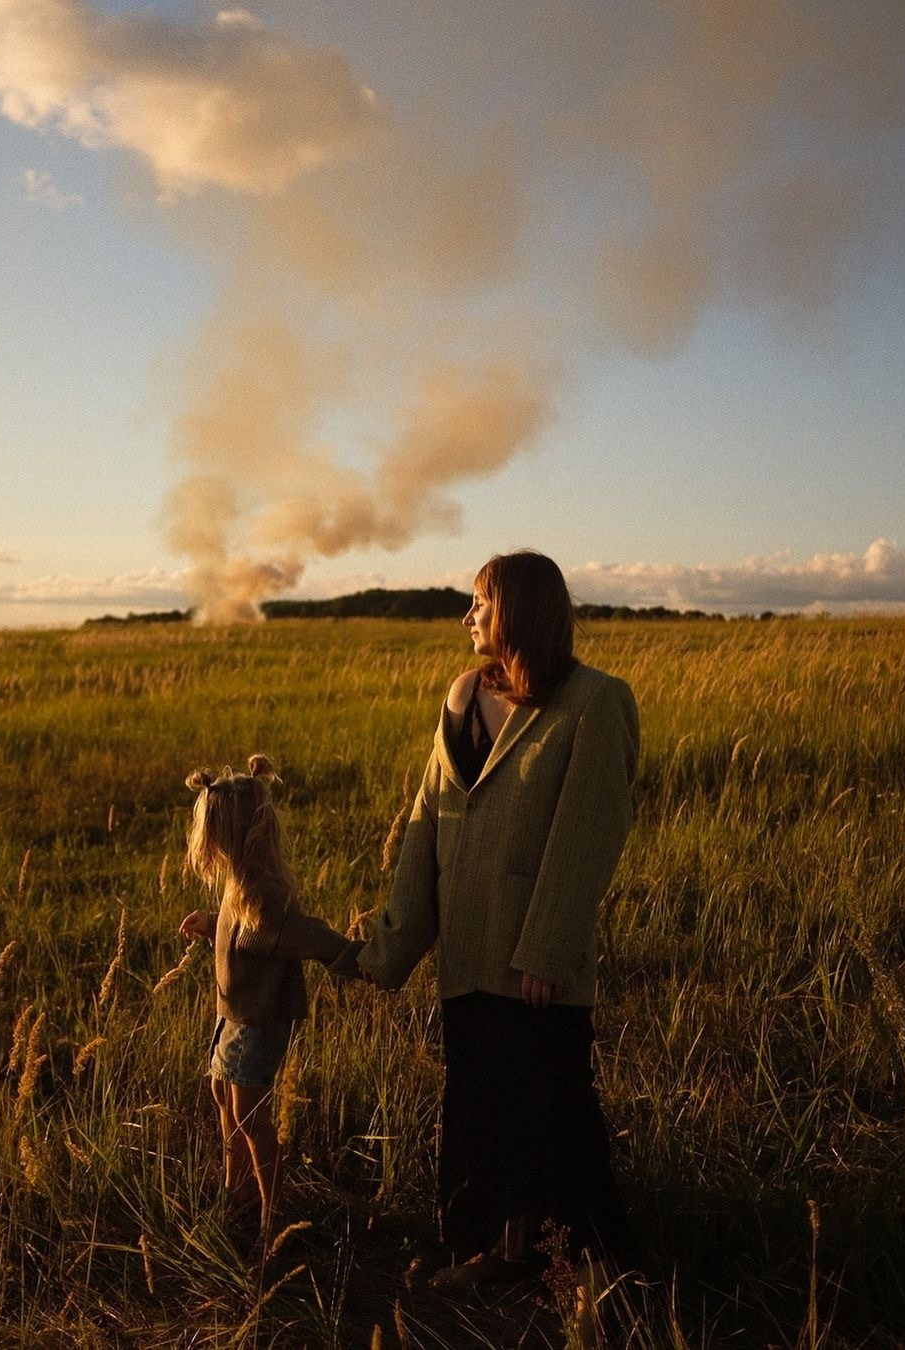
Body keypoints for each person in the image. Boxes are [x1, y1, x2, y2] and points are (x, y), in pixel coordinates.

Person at [353, 550, 640, 1294]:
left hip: (534, 960)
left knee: (554, 1110)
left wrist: (544, 949)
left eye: (479, 602)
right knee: (483, 1106)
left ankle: (591, 1266)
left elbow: (589, 831)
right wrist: (391, 948)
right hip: (469, 948)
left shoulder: (594, 701)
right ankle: (504, 1254)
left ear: (516, 609)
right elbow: (426, 823)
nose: (467, 617)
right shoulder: (458, 697)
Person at [178, 754, 350, 1242]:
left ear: (229, 839)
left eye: (209, 839)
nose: (204, 850)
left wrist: (361, 958)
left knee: (250, 1116)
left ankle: (271, 1215)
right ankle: (238, 1189)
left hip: (258, 1021)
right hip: (232, 1016)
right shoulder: (239, 883)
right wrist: (213, 925)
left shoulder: (265, 899)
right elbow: (242, 935)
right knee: (221, 1097)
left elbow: (308, 938)